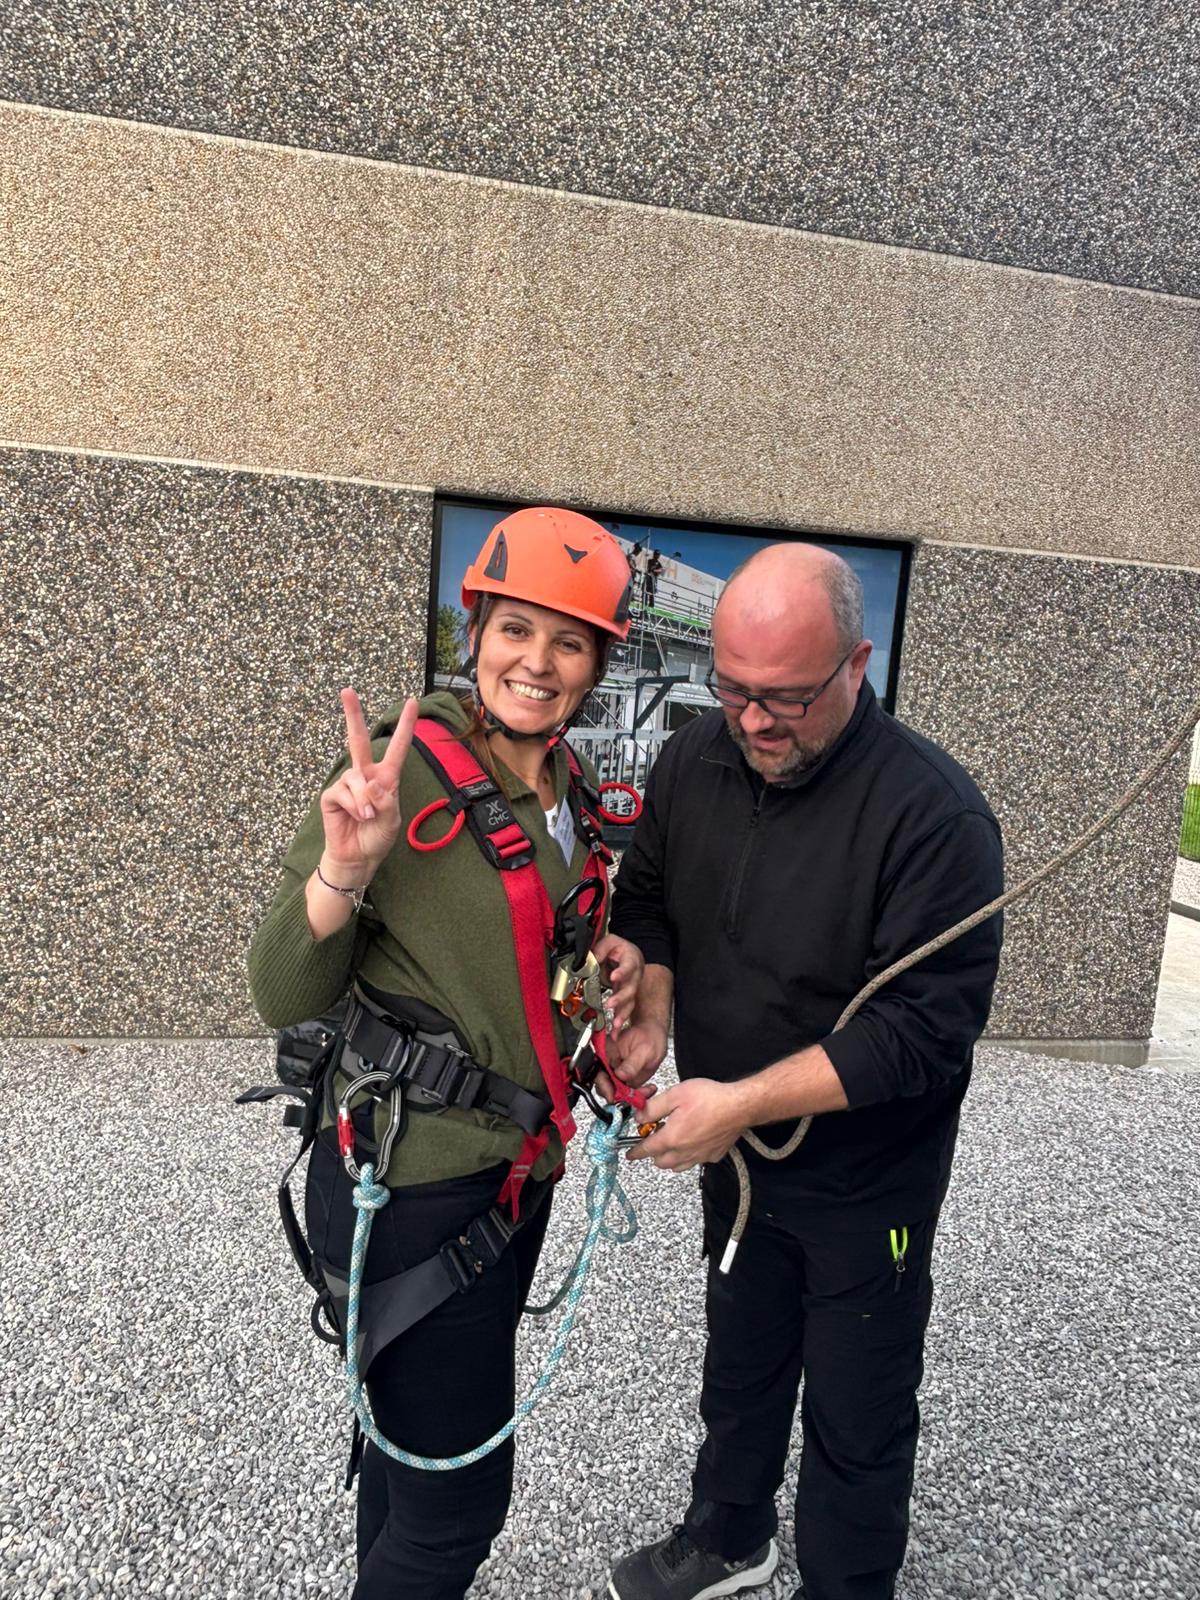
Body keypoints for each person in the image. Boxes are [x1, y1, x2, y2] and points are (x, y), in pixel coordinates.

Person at [247, 506, 643, 1600]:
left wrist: (604, 972)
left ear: (598, 664)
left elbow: (518, 956)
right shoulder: (401, 774)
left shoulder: (564, 789)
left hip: (514, 1174)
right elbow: (281, 989)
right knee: (456, 1507)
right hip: (415, 1186)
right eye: (516, 629)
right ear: (474, 634)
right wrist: (344, 868)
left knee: (409, 1457)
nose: (539, 662)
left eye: (570, 642)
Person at [606, 542, 1004, 1600]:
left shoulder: (936, 817)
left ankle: (846, 1582)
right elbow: (648, 902)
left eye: (785, 697)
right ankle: (730, 1534)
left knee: (857, 1406)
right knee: (740, 1362)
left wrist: (736, 1102)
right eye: (732, 688)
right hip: (739, 1159)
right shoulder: (693, 759)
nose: (753, 721)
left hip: (867, 1177)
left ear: (857, 665)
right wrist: (651, 1009)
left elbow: (923, 1033)